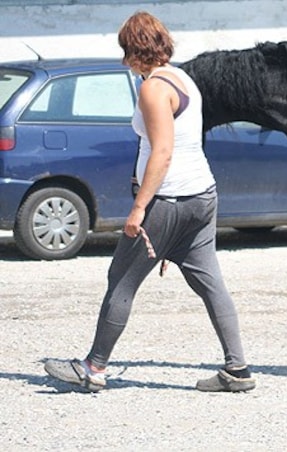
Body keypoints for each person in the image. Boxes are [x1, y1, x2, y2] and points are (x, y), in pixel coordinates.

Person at [44, 11, 255, 393]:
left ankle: (94, 368)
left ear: (136, 51)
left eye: (127, 52)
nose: (125, 62)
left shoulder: (153, 88)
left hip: (168, 199)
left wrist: (140, 208)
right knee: (211, 284)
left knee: (121, 280)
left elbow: (162, 153)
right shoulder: (184, 78)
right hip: (201, 195)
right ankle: (237, 369)